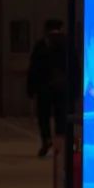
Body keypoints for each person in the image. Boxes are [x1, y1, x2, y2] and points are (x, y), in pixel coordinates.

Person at [26, 19, 71, 157]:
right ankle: (59, 144)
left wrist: (31, 88)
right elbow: (75, 67)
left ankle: (46, 139)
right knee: (61, 116)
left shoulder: (41, 45)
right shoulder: (67, 44)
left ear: (46, 29)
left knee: (43, 116)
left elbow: (33, 68)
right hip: (62, 87)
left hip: (44, 87)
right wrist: (75, 89)